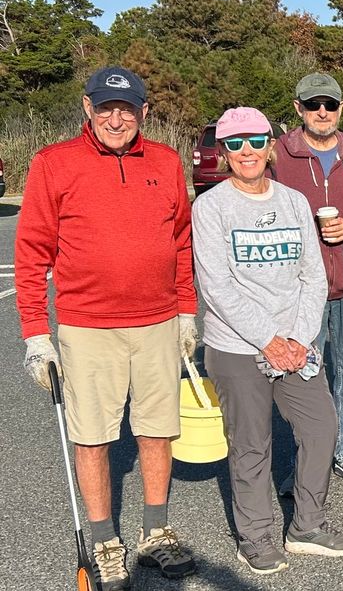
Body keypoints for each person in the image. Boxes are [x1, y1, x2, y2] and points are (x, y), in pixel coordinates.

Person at [17, 66, 197, 590]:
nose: (115, 118)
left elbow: (181, 243)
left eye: (126, 108)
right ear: (87, 109)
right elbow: (30, 253)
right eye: (105, 108)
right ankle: (103, 538)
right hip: (86, 325)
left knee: (157, 428)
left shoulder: (164, 161)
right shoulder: (54, 163)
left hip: (159, 321)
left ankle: (155, 533)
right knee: (92, 436)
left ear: (144, 111)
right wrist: (35, 333)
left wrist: (187, 311)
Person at [193, 107, 343, 575]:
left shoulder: (291, 201)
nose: (246, 152)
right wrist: (269, 340)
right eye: (234, 143)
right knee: (251, 444)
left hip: (297, 343)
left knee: (322, 428)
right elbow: (217, 287)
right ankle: (257, 535)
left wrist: (300, 338)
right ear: (223, 153)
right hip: (238, 347)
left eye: (255, 141)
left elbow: (313, 274)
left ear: (270, 145)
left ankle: (307, 525)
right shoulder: (211, 206)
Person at [274, 72, 343, 488]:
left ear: (340, 110)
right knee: (302, 377)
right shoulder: (277, 156)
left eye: (329, 105)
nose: (322, 112)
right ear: (298, 108)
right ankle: (307, 459)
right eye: (313, 104)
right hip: (299, 290)